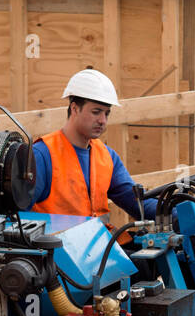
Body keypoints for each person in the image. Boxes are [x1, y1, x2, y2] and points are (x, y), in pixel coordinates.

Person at [31, 68, 154, 221]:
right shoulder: (42, 155)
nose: (103, 120)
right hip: (57, 243)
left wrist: (176, 213)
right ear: (74, 108)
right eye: (96, 112)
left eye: (106, 113)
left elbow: (136, 203)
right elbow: (17, 218)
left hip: (101, 242)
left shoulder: (107, 156)